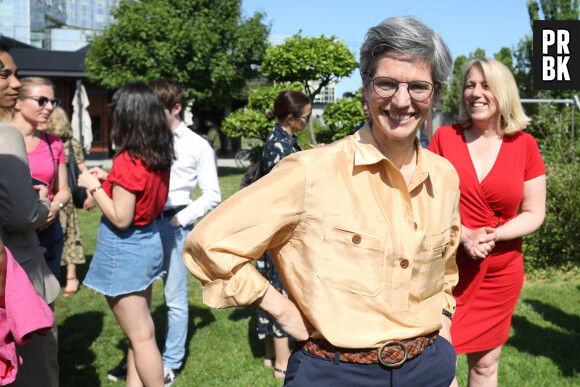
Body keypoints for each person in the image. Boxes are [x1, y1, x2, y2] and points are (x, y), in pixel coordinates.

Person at [183, 16, 460, 386]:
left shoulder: (445, 177)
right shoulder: (311, 172)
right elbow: (210, 243)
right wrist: (281, 310)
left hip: (428, 368)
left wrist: (442, 337)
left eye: (419, 87)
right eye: (387, 83)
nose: (401, 100)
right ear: (365, 87)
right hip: (334, 371)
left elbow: (445, 273)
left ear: (436, 94)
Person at [427, 57, 546, 387]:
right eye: (469, 85)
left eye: (485, 85)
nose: (475, 93)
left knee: (485, 365)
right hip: (448, 271)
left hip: (500, 273)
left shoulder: (525, 145)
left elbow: (535, 212)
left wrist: (493, 235)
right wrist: (465, 234)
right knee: (438, 365)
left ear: (503, 92)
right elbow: (427, 203)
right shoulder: (444, 139)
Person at [78, 82, 175, 387]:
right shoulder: (156, 152)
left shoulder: (128, 159)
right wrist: (111, 180)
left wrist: (92, 185)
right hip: (149, 243)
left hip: (126, 248)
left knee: (141, 336)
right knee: (140, 332)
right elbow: (139, 192)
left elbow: (121, 218)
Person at [146, 78, 220, 386]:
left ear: (176, 108)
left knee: (174, 298)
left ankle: (170, 363)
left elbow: (212, 194)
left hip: (174, 225)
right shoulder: (146, 138)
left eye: (155, 108)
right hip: (144, 223)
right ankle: (142, 358)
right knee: (139, 297)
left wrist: (180, 219)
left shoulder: (196, 145)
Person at [0, 39, 60, 387]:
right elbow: (22, 214)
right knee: (36, 373)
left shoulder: (54, 142)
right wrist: (43, 204)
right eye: (4, 75)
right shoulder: (7, 138)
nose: (15, 83)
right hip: (17, 281)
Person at [254, 90, 310, 379]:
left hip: (271, 231)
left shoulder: (283, 139)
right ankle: (281, 363)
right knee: (279, 295)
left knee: (270, 290)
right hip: (276, 233)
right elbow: (281, 195)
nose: (307, 121)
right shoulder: (279, 145)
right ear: (291, 118)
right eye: (306, 117)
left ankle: (267, 356)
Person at [7, 77, 70, 282]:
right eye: (42, 100)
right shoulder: (3, 139)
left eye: (53, 101)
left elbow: (64, 190)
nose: (50, 107)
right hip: (10, 237)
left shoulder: (54, 143)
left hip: (47, 233)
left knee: (47, 302)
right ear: (18, 102)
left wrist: (54, 207)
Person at [42, 107, 95, 296]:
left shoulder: (71, 144)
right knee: (63, 234)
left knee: (69, 234)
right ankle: (57, 275)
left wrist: (90, 195)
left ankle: (71, 277)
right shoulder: (41, 141)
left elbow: (83, 169)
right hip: (48, 197)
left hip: (65, 198)